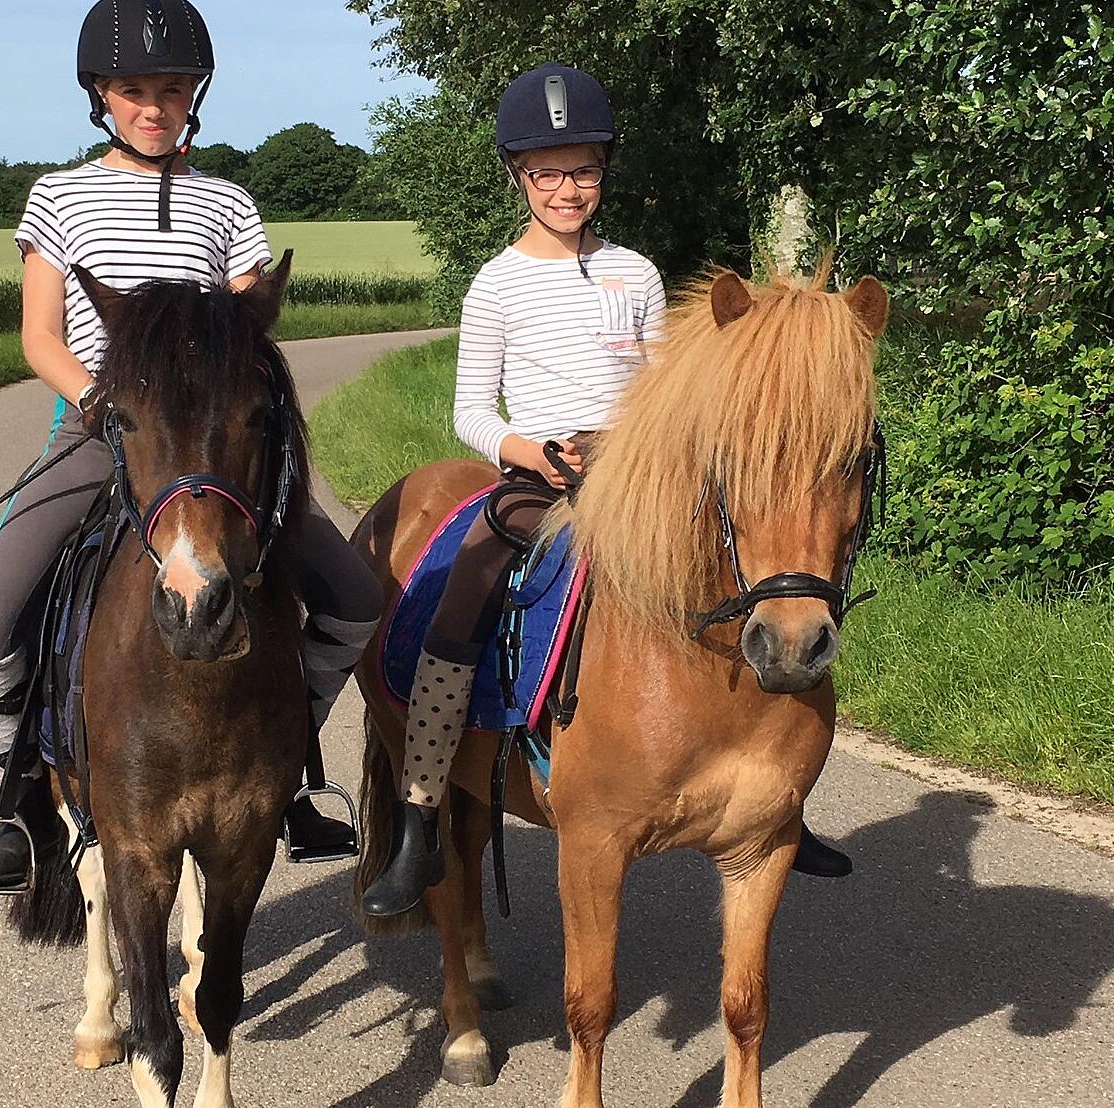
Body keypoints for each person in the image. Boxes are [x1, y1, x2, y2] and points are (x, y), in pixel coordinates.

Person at [361, 64, 850, 918]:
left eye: (583, 170)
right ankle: (420, 815)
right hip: (535, 485)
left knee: (758, 579)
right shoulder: (496, 283)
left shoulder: (637, 272)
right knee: (458, 607)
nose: (566, 189)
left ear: (603, 173)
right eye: (546, 172)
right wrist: (532, 451)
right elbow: (470, 410)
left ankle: (777, 798)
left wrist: (647, 449)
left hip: (641, 481)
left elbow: (665, 391)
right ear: (517, 176)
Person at [0, 0, 379, 890]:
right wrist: (101, 404)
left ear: (195, 97)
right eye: (134, 90)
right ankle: (22, 796)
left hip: (215, 443)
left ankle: (289, 765)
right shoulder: (59, 196)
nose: (154, 106)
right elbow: (40, 336)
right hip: (103, 425)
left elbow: (250, 322)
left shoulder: (226, 202)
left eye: (173, 89)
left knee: (353, 597)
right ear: (101, 98)